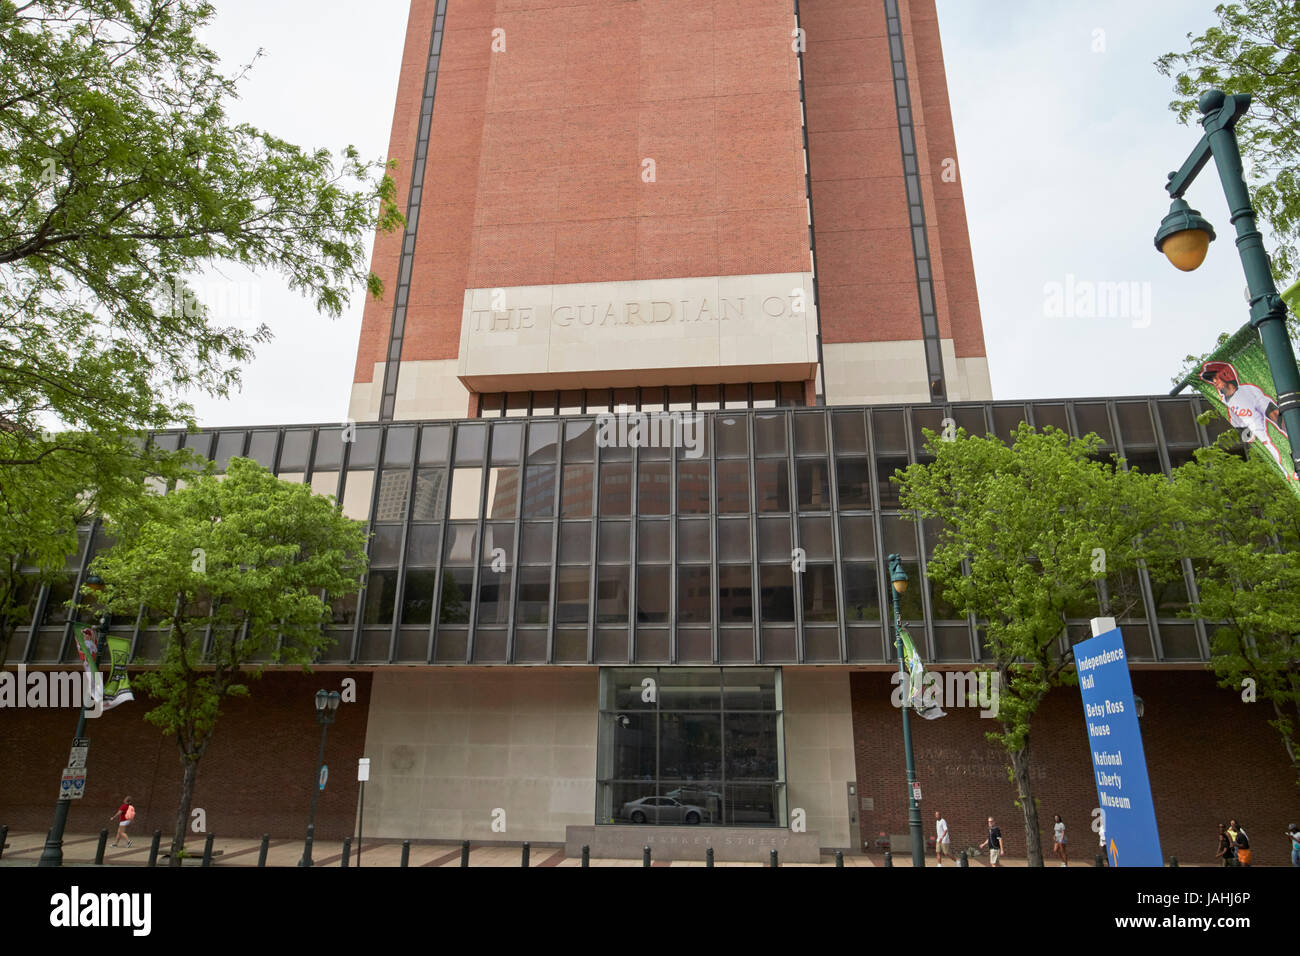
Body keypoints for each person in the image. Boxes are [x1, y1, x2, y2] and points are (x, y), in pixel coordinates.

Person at [1200, 360, 1296, 480]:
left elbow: (1273, 413)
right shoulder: (1224, 403)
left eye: (1215, 377)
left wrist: (1293, 433)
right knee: (1282, 468)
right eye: (1212, 379)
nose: (1214, 382)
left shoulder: (1247, 391)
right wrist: (1247, 435)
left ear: (1226, 375)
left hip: (1271, 440)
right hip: (1261, 447)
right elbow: (1242, 430)